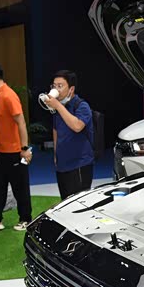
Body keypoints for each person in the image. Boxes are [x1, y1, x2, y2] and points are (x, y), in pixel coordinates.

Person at [0, 61, 33, 231]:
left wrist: (24, 148)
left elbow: (21, 123)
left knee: (20, 188)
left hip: (14, 151)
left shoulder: (9, 96)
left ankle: (26, 219)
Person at [43, 70, 95, 199]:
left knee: (79, 203)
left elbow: (77, 126)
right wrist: (56, 154)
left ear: (71, 89)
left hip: (80, 164)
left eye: (60, 86)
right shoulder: (58, 107)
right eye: (54, 86)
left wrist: (58, 106)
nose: (56, 89)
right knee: (65, 201)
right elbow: (56, 130)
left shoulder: (81, 106)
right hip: (62, 164)